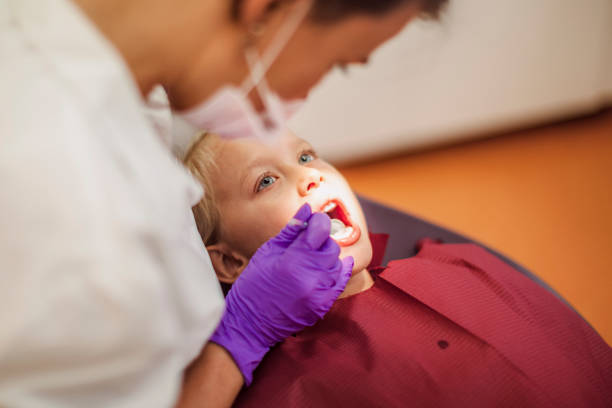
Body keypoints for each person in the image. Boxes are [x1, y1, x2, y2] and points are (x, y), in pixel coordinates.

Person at [0, 0, 448, 406]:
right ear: (265, 9)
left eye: (307, 156)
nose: (310, 178)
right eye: (340, 63)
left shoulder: (117, 71)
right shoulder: (57, 199)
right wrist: (239, 338)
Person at [183, 131, 612, 407]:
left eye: (307, 155)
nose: (310, 177)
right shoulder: (284, 391)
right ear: (230, 261)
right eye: (266, 182)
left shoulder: (455, 264)